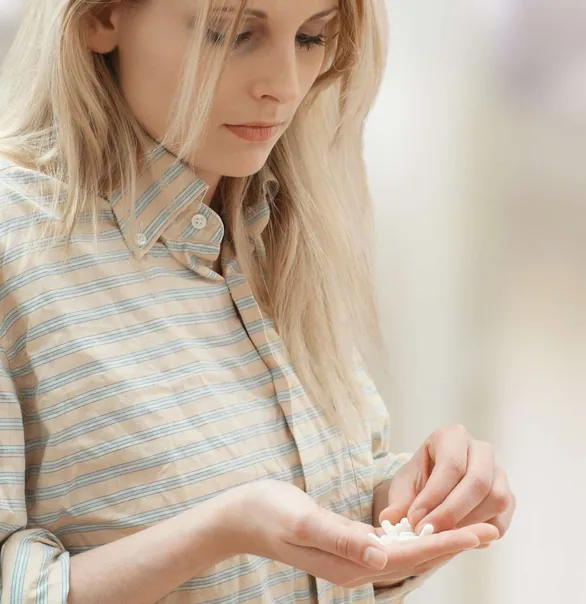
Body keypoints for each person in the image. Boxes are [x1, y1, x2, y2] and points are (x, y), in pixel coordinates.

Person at [0, 1, 516, 602]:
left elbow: (305, 512)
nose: (284, 86)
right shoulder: (16, 247)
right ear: (102, 17)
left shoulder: (274, 234)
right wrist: (223, 529)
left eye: (311, 37)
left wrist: (407, 502)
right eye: (233, 33)